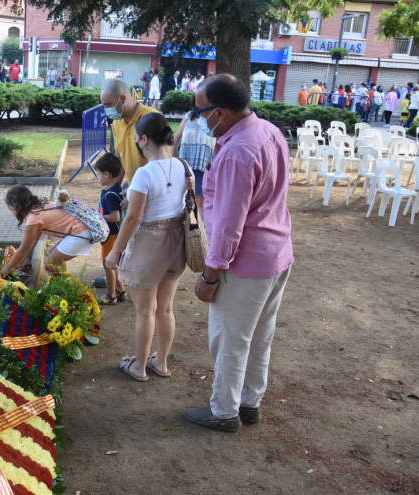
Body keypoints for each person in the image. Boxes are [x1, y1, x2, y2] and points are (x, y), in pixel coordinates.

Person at [182, 74, 293, 433]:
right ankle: (249, 403)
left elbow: (229, 225)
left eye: (199, 112)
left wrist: (209, 276)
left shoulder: (237, 152)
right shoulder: (269, 131)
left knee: (230, 339)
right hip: (275, 255)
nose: (196, 119)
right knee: (259, 336)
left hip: (246, 262)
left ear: (221, 112)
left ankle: (224, 411)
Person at [104, 112, 187, 382]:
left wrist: (116, 251)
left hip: (150, 245)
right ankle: (160, 363)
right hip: (176, 243)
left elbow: (134, 218)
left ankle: (139, 367)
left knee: (145, 311)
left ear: (144, 139)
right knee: (165, 309)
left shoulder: (144, 172)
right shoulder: (182, 165)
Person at [0, 185, 95, 278]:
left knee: (50, 263)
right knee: (52, 253)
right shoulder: (39, 207)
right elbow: (33, 242)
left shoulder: (33, 219)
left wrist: (7, 268)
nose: (12, 213)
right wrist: (19, 263)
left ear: (15, 205)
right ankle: (62, 284)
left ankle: (61, 287)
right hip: (83, 230)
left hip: (81, 234)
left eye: (11, 209)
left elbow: (23, 249)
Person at [100, 79, 159, 187]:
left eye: (108, 105)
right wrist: (114, 187)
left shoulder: (152, 117)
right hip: (132, 184)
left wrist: (138, 191)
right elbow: (120, 158)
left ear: (122, 99)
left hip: (152, 186)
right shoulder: (117, 122)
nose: (106, 110)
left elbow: (162, 160)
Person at [172, 109, 215, 222]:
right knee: (183, 200)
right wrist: (173, 159)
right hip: (185, 167)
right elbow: (176, 138)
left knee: (198, 202)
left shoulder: (214, 118)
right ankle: (189, 228)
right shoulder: (189, 116)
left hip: (204, 167)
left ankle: (196, 230)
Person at [95, 153, 127, 305]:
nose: (98, 177)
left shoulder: (111, 194)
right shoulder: (113, 188)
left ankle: (110, 295)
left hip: (111, 235)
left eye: (98, 174)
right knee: (112, 264)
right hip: (111, 234)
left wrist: (98, 216)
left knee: (108, 265)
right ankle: (120, 290)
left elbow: (115, 217)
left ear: (106, 174)